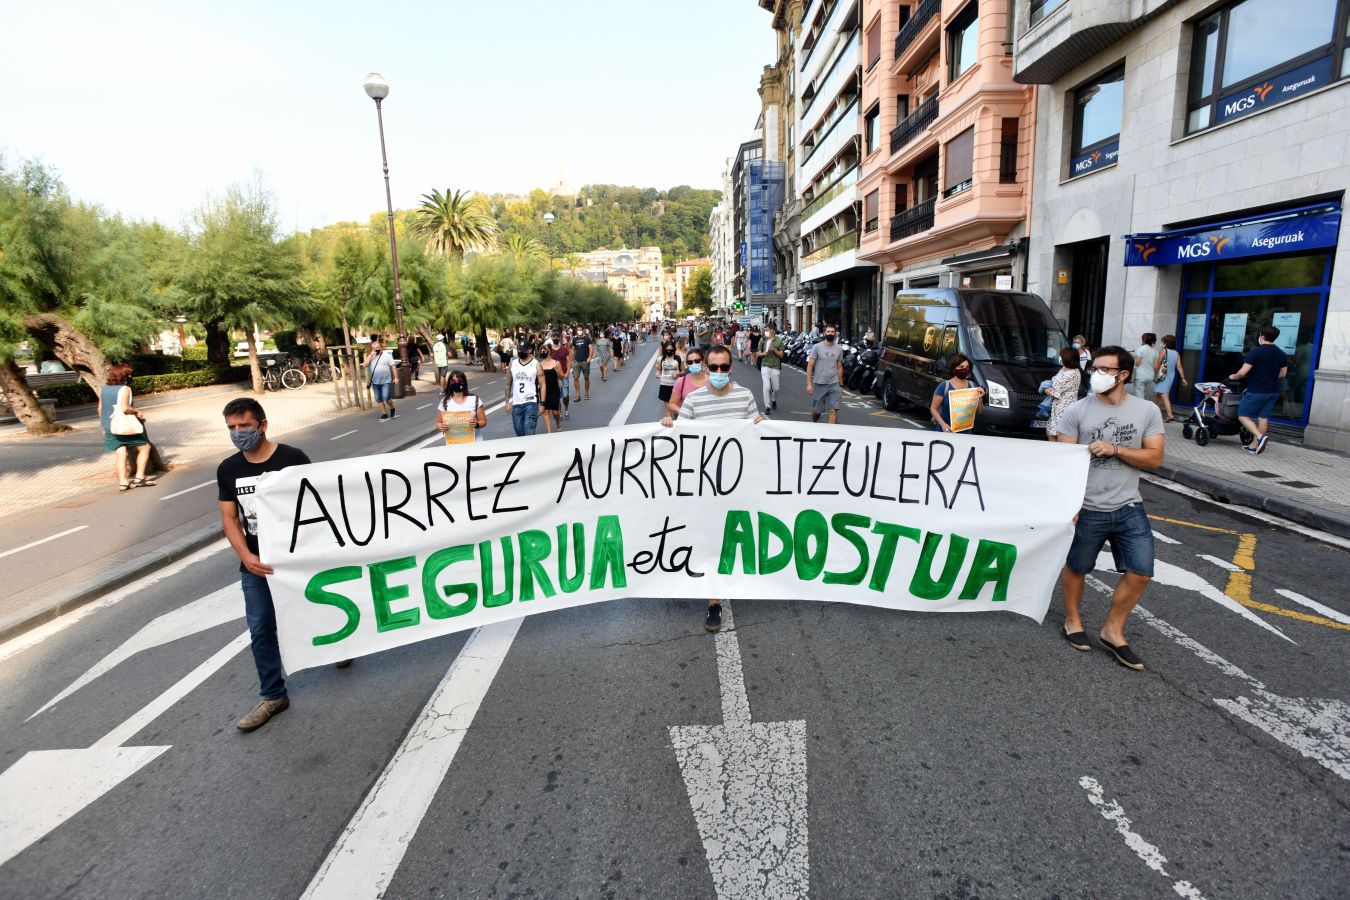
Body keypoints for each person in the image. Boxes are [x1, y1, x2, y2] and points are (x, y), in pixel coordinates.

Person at [217, 397, 330, 733]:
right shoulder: (228, 469)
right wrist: (246, 556)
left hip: (297, 558)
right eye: (232, 428)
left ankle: (341, 645)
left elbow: (318, 501)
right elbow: (228, 517)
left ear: (262, 425)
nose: (238, 433)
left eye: (245, 426)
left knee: (316, 606)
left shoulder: (292, 459)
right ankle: (273, 695)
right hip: (257, 564)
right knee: (261, 627)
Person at [1055, 346, 1166, 671]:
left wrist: (1116, 449)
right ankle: (1073, 621)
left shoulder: (1147, 411)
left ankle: (1112, 629)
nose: (1096, 374)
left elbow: (1155, 458)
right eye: (1095, 368)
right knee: (1077, 567)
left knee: (1141, 572)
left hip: (1129, 505)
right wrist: (1068, 504)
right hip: (1087, 507)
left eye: (1104, 369)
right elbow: (1064, 463)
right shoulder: (1076, 411)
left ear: (1124, 375)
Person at [661, 345, 762, 633]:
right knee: (709, 539)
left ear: (731, 368)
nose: (719, 372)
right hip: (705, 484)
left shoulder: (745, 396)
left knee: (738, 533)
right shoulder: (694, 400)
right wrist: (669, 424)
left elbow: (756, 434)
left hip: (739, 482)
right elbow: (682, 438)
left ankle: (745, 579)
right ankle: (714, 603)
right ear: (706, 368)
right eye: (714, 367)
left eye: (724, 368)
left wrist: (763, 425)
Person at [1230, 324, 1289, 454]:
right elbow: (1283, 374)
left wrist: (1234, 376)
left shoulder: (1255, 352)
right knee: (1263, 418)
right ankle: (1254, 446)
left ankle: (1261, 437)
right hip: (1273, 391)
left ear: (1261, 337)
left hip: (1257, 390)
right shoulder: (1281, 354)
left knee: (1243, 415)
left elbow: (1243, 372)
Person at [100, 362, 156, 492]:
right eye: (129, 374)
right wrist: (137, 412)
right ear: (124, 376)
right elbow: (125, 408)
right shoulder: (125, 389)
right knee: (145, 447)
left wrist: (104, 425)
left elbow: (100, 408)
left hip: (110, 426)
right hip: (124, 426)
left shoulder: (105, 389)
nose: (130, 376)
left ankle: (123, 482)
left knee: (120, 453)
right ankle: (139, 477)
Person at [930, 354, 985, 432]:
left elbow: (980, 411)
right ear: (953, 369)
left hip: (965, 433)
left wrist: (979, 398)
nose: (965, 369)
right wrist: (943, 425)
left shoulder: (973, 386)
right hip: (946, 431)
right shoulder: (944, 386)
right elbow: (933, 408)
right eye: (961, 367)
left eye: (967, 367)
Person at [806, 325, 845, 424]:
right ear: (824, 333)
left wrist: (841, 385)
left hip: (834, 383)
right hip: (819, 383)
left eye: (832, 332)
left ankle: (829, 435)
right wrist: (809, 384)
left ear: (835, 334)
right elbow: (810, 366)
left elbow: (839, 367)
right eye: (828, 331)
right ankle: (814, 424)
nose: (830, 333)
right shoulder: (817, 347)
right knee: (817, 412)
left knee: (833, 410)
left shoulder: (839, 349)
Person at [436, 368, 487, 444]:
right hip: (454, 445)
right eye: (453, 381)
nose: (456, 383)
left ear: (464, 382)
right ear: (449, 383)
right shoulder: (445, 402)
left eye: (459, 380)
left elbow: (483, 421)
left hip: (475, 444)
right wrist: (440, 426)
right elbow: (438, 422)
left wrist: (476, 424)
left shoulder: (475, 400)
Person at [506, 342, 545, 437]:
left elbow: (543, 384)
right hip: (516, 404)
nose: (520, 352)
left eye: (523, 350)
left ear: (529, 350)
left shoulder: (536, 364)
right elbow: (507, 384)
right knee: (519, 433)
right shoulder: (513, 363)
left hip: (531, 403)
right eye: (519, 350)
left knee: (529, 432)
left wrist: (542, 404)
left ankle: (531, 451)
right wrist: (507, 402)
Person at [1045, 347, 1083, 440]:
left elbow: (1056, 392)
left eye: (1061, 356)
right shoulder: (1064, 369)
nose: (1060, 358)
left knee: (1056, 434)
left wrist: (1046, 390)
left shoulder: (1071, 373)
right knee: (1051, 432)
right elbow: (1054, 378)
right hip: (1057, 407)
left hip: (1064, 408)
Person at [666, 347, 709, 419]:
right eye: (690, 362)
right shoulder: (681, 381)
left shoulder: (712, 380)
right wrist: (683, 412)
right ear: (687, 364)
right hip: (689, 424)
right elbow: (671, 404)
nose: (694, 364)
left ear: (702, 361)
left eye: (697, 361)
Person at [1154, 334, 1188, 423]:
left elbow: (1158, 363)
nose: (1161, 343)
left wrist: (1154, 373)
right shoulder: (1176, 353)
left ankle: (1169, 415)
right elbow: (1179, 367)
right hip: (1170, 375)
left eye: (1162, 342)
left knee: (1164, 395)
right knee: (1159, 394)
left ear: (1166, 343)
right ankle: (1153, 413)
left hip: (1162, 375)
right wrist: (1183, 378)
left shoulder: (1163, 351)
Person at [754, 325, 784, 414]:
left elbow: (781, 355)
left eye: (767, 330)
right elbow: (757, 354)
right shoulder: (762, 340)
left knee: (776, 388)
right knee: (766, 386)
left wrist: (774, 349)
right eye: (764, 330)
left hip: (775, 366)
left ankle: (774, 400)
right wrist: (762, 354)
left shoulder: (779, 341)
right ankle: (767, 406)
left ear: (772, 330)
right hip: (765, 365)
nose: (765, 332)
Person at [366, 337, 397, 420]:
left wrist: (396, 377)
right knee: (379, 399)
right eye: (374, 348)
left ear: (380, 347)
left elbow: (393, 366)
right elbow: (365, 365)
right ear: (372, 348)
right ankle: (384, 413)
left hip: (386, 381)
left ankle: (392, 407)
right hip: (375, 381)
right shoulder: (371, 356)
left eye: (377, 347)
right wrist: (370, 356)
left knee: (386, 397)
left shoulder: (387, 356)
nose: (376, 349)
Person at [539, 341, 564, 433]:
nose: (542, 352)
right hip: (543, 391)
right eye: (541, 351)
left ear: (549, 351)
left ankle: (558, 423)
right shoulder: (539, 364)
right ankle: (549, 433)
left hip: (554, 389)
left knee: (555, 412)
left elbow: (562, 376)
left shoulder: (556, 363)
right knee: (546, 411)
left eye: (544, 351)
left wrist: (558, 371)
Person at [653, 340, 684, 404]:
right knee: (667, 406)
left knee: (676, 404)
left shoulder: (679, 358)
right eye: (667, 349)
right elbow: (659, 370)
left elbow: (684, 371)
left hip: (677, 384)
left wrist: (677, 374)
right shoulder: (660, 359)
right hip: (665, 385)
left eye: (671, 349)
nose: (669, 351)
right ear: (664, 349)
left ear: (674, 349)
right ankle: (669, 414)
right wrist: (657, 374)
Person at [1132, 333, 1160, 400]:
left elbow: (1137, 362)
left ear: (1143, 339)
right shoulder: (1155, 352)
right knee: (1142, 393)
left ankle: (1141, 409)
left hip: (1140, 376)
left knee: (1139, 395)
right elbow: (1155, 366)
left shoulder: (1140, 349)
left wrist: (1132, 360)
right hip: (1150, 376)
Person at [572, 327, 594, 400]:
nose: (579, 331)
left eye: (580, 330)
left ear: (583, 330)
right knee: (575, 377)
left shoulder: (587, 338)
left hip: (585, 361)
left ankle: (586, 393)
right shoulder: (574, 339)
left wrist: (590, 357)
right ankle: (577, 395)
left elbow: (591, 348)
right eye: (577, 330)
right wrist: (572, 360)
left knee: (586, 377)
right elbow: (573, 350)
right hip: (576, 361)